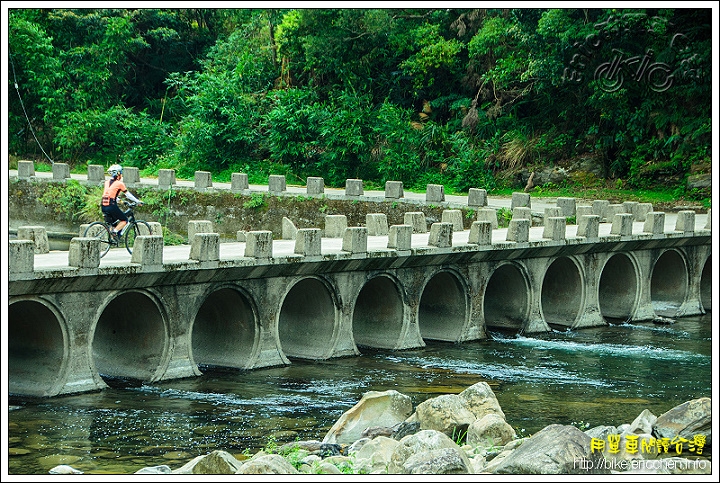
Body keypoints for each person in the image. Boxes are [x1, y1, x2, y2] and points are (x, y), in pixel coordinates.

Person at [101, 164, 143, 237]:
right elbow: (128, 195)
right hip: (111, 206)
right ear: (118, 173)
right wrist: (137, 201)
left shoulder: (106, 182)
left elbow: (110, 196)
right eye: (121, 173)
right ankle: (114, 232)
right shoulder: (120, 184)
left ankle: (112, 239)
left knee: (113, 223)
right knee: (124, 220)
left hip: (103, 205)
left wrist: (122, 202)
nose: (121, 175)